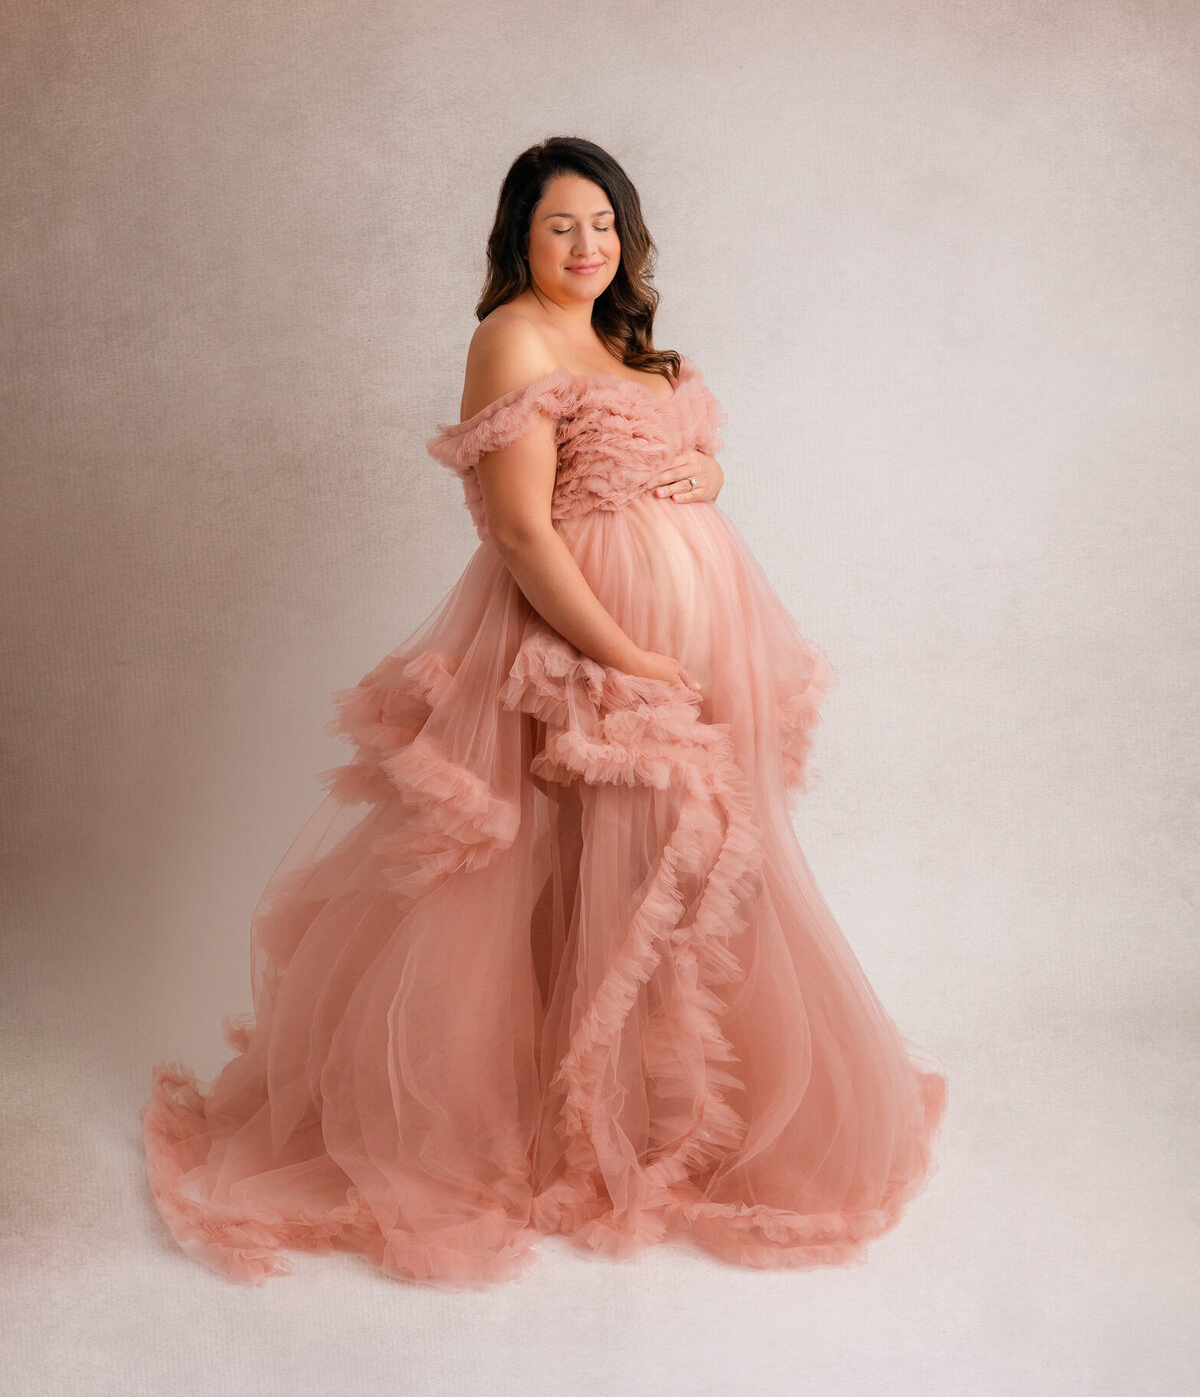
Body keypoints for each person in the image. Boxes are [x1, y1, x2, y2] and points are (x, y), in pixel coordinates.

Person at [142, 135, 947, 1290]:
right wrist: (623, 651)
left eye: (606, 225)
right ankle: (557, 1134)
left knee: (679, 866)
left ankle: (656, 1120)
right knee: (562, 873)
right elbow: (521, 529)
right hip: (578, 647)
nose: (586, 246)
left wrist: (709, 479)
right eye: (562, 225)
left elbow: (685, 452)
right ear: (520, 232)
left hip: (696, 646)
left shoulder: (624, 344)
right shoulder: (510, 337)